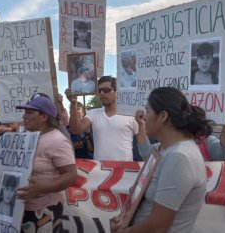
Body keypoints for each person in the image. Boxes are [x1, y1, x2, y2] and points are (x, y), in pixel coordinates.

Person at [110, 87, 210, 233]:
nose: (144, 116)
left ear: (163, 116)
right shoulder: (161, 149)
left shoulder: (180, 158)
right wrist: (124, 220)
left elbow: (158, 226)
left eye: (148, 110)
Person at [15, 93, 77, 232]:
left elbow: (71, 175)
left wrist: (43, 188)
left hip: (44, 210)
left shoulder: (58, 141)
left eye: (30, 112)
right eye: (24, 112)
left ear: (44, 116)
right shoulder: (25, 138)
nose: (24, 116)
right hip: (19, 208)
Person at [65, 76, 139, 161]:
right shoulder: (93, 113)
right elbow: (75, 129)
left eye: (106, 90)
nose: (102, 93)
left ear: (116, 91)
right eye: (100, 91)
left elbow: (142, 141)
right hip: (101, 172)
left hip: (125, 171)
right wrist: (73, 104)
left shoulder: (130, 114)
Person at [136, 105, 225, 161]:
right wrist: (141, 125)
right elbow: (146, 152)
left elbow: (223, 153)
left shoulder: (205, 142)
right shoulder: (167, 145)